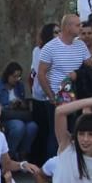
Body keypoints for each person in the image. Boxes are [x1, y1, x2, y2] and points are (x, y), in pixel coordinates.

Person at [38, 15, 92, 106]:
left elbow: (89, 67)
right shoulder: (50, 47)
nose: (81, 29)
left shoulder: (81, 45)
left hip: (78, 97)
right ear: (68, 27)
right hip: (57, 99)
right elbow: (41, 74)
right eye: (78, 25)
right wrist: (51, 97)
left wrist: (77, 74)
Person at [0, 62, 37, 161]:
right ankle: (9, 155)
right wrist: (9, 105)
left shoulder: (19, 86)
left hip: (18, 114)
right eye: (14, 76)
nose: (16, 79)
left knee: (32, 126)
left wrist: (21, 103)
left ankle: (23, 153)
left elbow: (25, 104)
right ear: (7, 75)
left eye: (19, 77)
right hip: (5, 117)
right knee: (18, 126)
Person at [31, 23, 61, 162]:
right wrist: (51, 94)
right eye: (55, 32)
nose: (58, 34)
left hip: (57, 95)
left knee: (54, 131)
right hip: (43, 97)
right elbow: (42, 73)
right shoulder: (39, 51)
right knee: (47, 132)